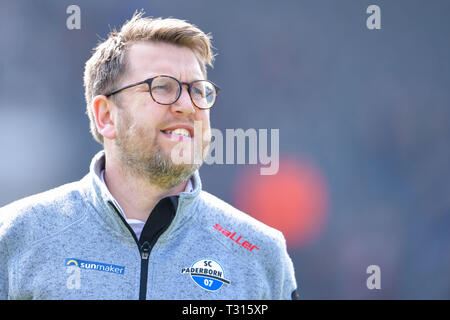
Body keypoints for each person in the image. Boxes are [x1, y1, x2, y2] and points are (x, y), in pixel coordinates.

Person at [0, 11, 298, 300]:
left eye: (198, 91)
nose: (187, 105)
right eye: (162, 87)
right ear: (106, 116)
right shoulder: (16, 235)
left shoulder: (261, 253)